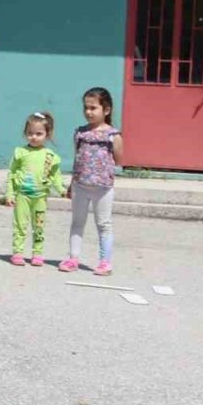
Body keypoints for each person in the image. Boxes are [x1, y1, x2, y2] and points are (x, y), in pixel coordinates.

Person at [64, 88, 123, 275]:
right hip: (80, 186)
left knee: (104, 224)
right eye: (86, 107)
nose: (88, 112)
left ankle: (105, 262)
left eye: (93, 108)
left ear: (106, 110)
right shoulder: (80, 133)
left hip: (103, 188)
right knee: (77, 222)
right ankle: (73, 259)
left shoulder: (113, 135)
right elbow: (77, 159)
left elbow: (119, 160)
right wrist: (71, 183)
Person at [4, 112, 65, 267]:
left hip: (40, 198)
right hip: (22, 196)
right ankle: (18, 252)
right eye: (30, 133)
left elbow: (55, 176)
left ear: (47, 134)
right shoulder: (20, 152)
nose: (34, 137)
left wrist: (62, 190)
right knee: (20, 225)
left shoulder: (50, 156)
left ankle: (37, 254)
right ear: (25, 133)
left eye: (39, 134)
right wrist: (10, 193)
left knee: (39, 226)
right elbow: (12, 173)